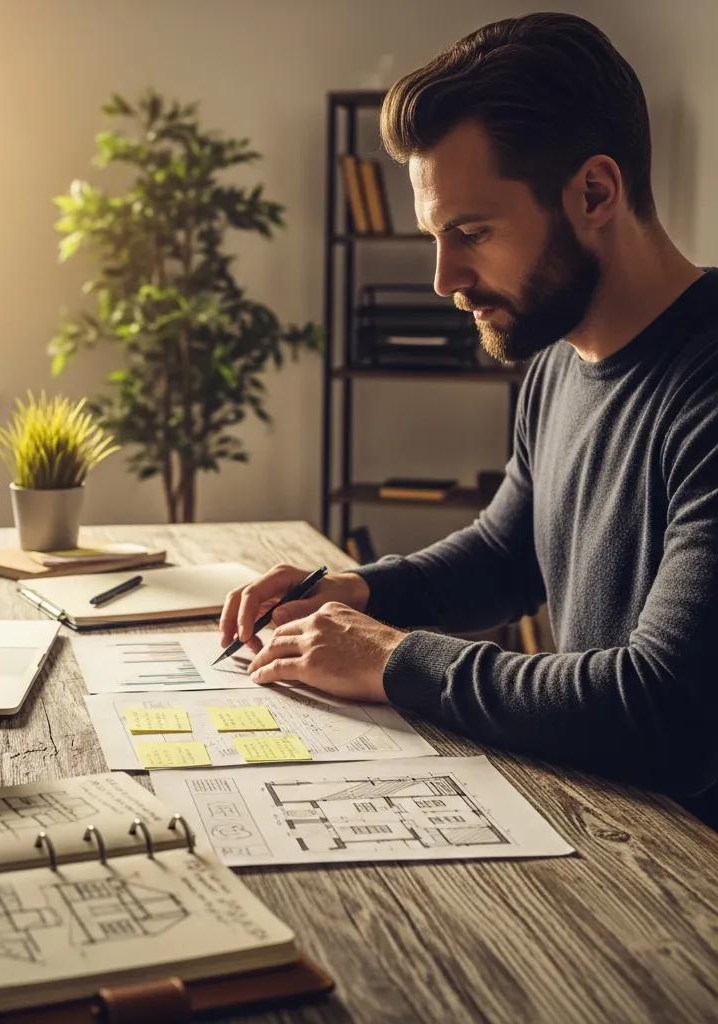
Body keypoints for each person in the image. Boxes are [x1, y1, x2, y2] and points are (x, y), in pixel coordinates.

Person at [219, 13, 718, 824]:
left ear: (596, 192)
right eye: (434, 236)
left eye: (471, 232)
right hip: (606, 824)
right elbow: (506, 554)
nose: (446, 278)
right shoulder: (561, 360)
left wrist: (391, 657)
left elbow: (666, 714)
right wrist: (355, 591)